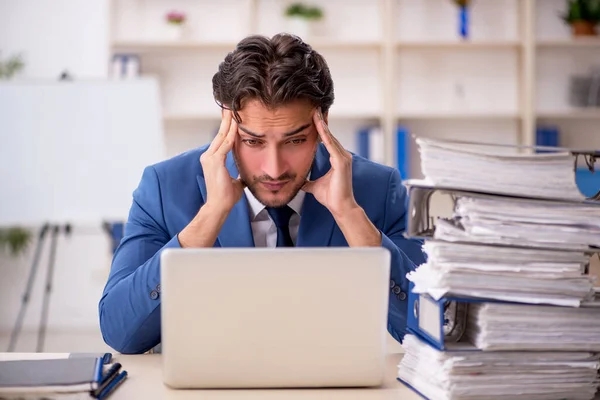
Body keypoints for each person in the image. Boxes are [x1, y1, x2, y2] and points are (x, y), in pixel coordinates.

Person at [98, 33, 426, 354]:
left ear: (322, 123)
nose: (273, 168)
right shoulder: (163, 187)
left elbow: (431, 334)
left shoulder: (378, 190)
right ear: (227, 124)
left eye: (295, 140)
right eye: (254, 141)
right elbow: (120, 333)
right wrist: (209, 216)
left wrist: (351, 217)